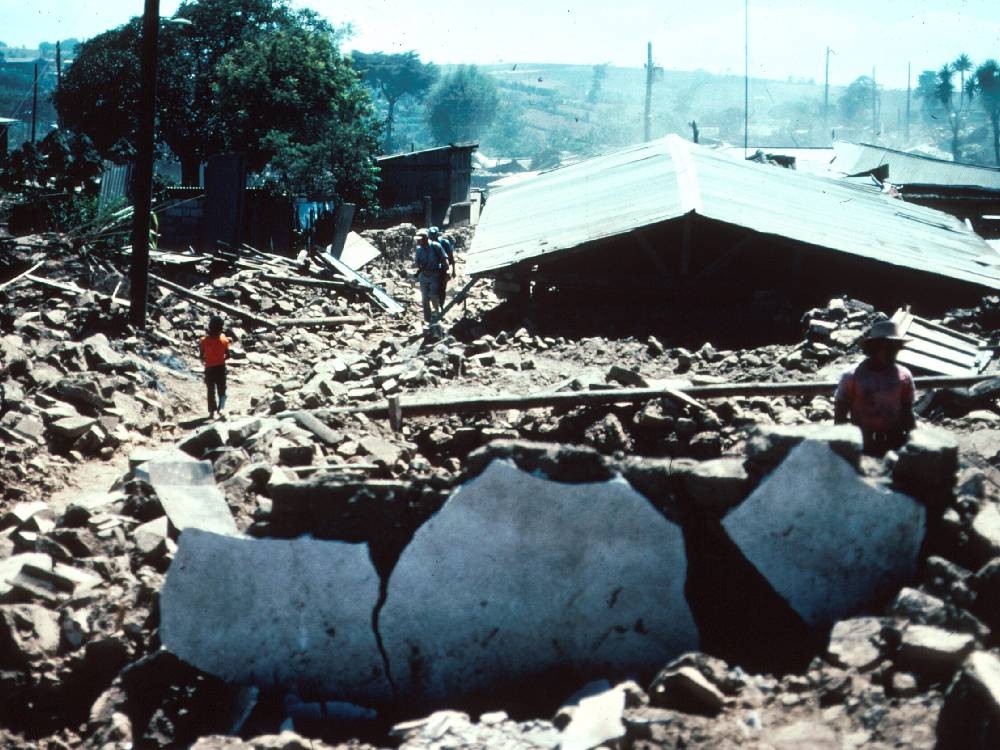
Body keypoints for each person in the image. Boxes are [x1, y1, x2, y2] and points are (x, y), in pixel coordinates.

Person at [834, 320, 916, 456]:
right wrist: (843, 447)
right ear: (874, 348)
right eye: (888, 347)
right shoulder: (851, 376)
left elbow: (907, 412)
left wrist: (914, 440)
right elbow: (840, 417)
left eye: (896, 347)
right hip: (861, 443)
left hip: (894, 443)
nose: (893, 352)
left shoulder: (904, 376)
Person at [199, 315, 231, 419]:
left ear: (210, 327)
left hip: (209, 369)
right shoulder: (224, 340)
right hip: (221, 368)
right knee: (222, 388)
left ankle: (211, 412)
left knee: (210, 390)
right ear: (221, 329)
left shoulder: (203, 341)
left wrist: (208, 360)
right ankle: (221, 408)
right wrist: (221, 359)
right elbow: (228, 355)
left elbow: (201, 356)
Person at [413, 228, 447, 323]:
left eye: (420, 239)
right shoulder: (419, 250)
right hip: (423, 274)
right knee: (424, 299)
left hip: (435, 274)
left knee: (433, 295)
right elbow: (417, 263)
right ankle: (427, 319)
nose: (418, 241)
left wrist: (446, 272)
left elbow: (444, 259)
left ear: (426, 238)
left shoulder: (436, 246)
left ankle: (438, 314)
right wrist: (419, 265)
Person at [429, 226, 455, 307]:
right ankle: (436, 306)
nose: (432, 238)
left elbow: (451, 257)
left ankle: (441, 306)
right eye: (431, 236)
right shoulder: (429, 245)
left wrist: (453, 270)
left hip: (443, 269)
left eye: (434, 236)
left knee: (442, 289)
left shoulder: (444, 243)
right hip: (432, 270)